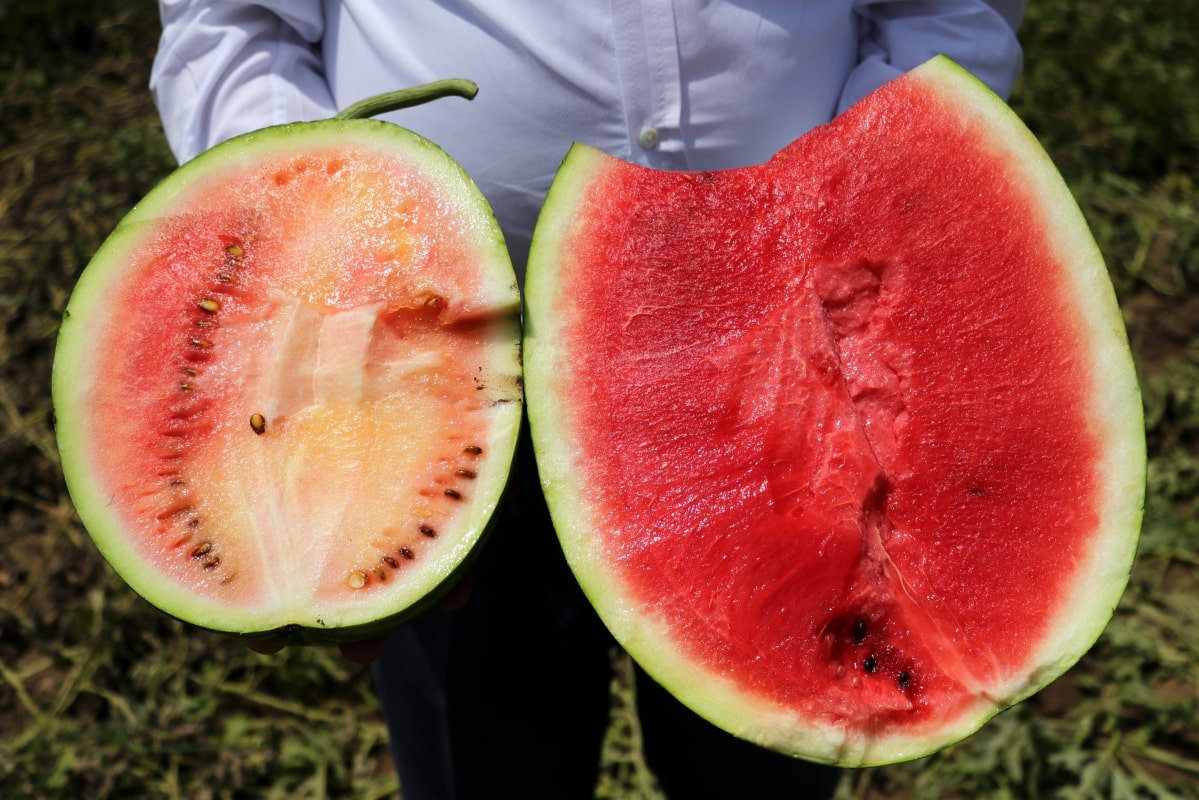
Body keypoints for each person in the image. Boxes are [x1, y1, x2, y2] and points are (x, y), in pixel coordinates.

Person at [150, 3, 1024, 797]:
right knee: (480, 757)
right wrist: (317, 257)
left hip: (793, 372)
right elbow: (230, 27)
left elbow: (948, 11)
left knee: (764, 767)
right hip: (431, 387)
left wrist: (864, 201)